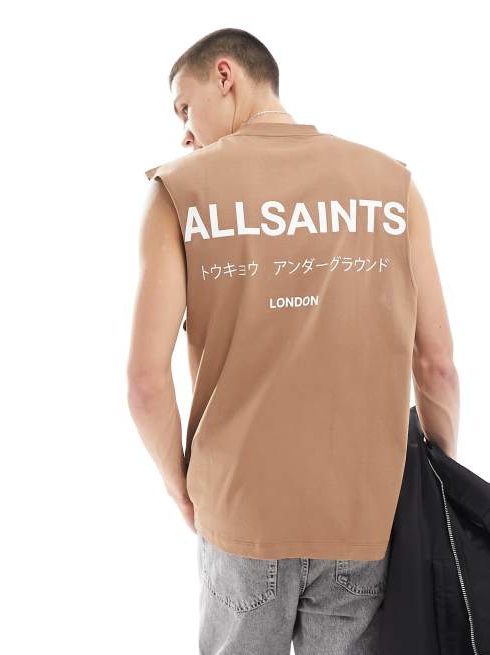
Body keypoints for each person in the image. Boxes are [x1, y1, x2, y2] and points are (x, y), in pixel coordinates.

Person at [126, 27, 460, 655]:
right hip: (361, 517)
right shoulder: (391, 184)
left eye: (185, 107)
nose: (185, 133)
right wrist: (434, 486)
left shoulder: (179, 191)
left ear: (225, 75)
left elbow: (145, 383)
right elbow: (437, 364)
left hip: (240, 513)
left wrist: (181, 489)